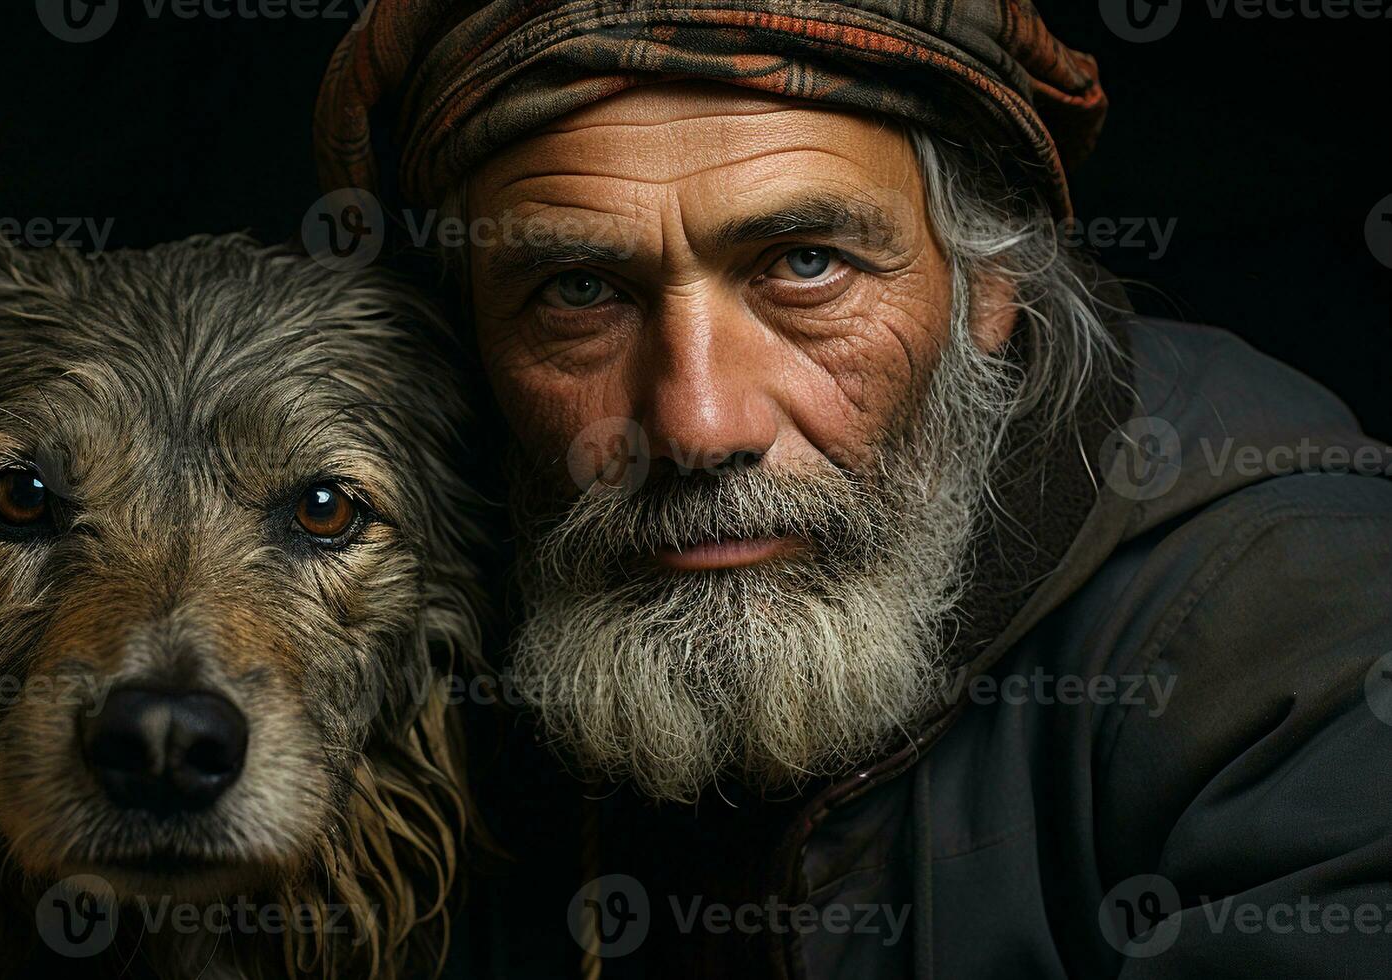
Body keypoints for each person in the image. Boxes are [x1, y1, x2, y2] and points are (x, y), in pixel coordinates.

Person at [313, 2, 1392, 977]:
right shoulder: (410, 614)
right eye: (579, 290)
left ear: (988, 277)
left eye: (805, 263)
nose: (695, 425)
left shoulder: (1295, 632)